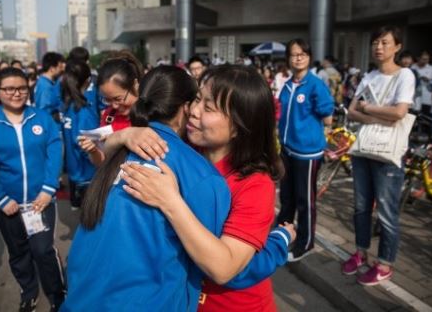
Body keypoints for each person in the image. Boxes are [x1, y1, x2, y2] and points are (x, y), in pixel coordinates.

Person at [121, 65, 295, 311]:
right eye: (197, 99)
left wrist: (170, 202)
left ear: (239, 125)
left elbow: (223, 268)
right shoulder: (185, 151)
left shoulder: (255, 184)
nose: (193, 111)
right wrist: (124, 136)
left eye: (209, 107)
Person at [62, 65, 232, 311]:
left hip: (81, 297)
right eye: (200, 103)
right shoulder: (201, 176)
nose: (198, 112)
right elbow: (212, 263)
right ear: (186, 107)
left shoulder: (120, 151)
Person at [0, 68, 66, 311]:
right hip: (8, 204)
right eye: (9, 88)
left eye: (22, 88)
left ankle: (57, 294)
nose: (16, 93)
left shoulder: (42, 118)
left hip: (41, 201)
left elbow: (54, 152)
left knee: (43, 250)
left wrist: (48, 189)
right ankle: (28, 291)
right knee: (18, 252)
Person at [343, 26, 416, 286]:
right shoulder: (369, 76)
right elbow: (351, 110)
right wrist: (379, 116)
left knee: (386, 210)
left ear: (397, 47)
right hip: (364, 149)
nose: (379, 47)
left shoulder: (405, 75)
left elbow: (399, 113)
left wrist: (369, 109)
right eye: (375, 42)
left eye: (385, 42)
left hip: (388, 153)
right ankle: (361, 252)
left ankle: (384, 264)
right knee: (361, 207)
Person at [275, 38, 334, 262]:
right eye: (293, 54)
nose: (298, 57)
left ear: (309, 57)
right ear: (288, 59)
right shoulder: (288, 84)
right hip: (287, 149)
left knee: (304, 200)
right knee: (287, 197)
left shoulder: (316, 84)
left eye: (302, 54)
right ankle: (281, 234)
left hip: (307, 153)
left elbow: (327, 118)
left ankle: (306, 242)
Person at [78, 51, 143, 165]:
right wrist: (94, 151)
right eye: (108, 100)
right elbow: (102, 162)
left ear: (135, 85)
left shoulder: (153, 114)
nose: (114, 105)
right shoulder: (109, 116)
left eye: (118, 99)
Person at [60, 61, 99, 209]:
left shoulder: (68, 106)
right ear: (88, 80)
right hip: (88, 173)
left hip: (75, 170)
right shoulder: (84, 111)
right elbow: (87, 144)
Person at [34, 52, 65, 122]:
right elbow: (44, 110)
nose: (61, 70)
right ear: (52, 68)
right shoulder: (45, 86)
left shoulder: (47, 83)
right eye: (59, 67)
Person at [412, 51, 432, 116]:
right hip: (415, 97)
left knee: (425, 117)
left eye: (427, 59)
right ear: (418, 58)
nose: (426, 61)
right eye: (424, 59)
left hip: (427, 98)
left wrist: (428, 80)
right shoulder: (413, 67)